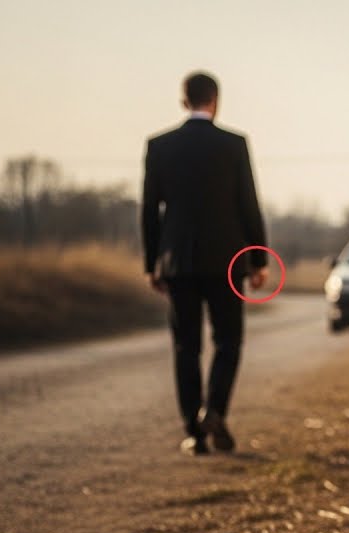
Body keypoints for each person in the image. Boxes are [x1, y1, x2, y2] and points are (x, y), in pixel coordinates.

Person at [141, 71, 269, 455]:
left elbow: (149, 210)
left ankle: (194, 433)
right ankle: (214, 410)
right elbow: (248, 204)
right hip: (228, 262)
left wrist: (153, 263)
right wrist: (259, 259)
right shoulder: (234, 145)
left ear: (184, 101)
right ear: (215, 99)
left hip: (178, 262)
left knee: (186, 346)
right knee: (229, 340)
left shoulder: (160, 146)